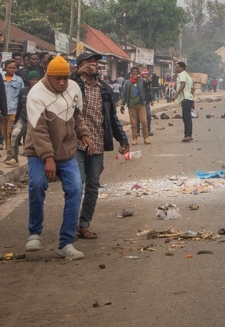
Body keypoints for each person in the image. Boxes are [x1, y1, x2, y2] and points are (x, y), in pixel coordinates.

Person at [25, 56, 94, 259]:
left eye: (65, 78)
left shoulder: (73, 88)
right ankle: (34, 233)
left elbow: (76, 116)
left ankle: (66, 242)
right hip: (39, 153)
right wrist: (48, 158)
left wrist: (84, 134)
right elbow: (38, 131)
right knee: (37, 185)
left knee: (76, 189)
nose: (62, 82)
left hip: (66, 152)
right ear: (49, 76)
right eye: (58, 79)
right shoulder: (36, 94)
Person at [72, 52, 128, 240]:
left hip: (97, 143)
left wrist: (123, 139)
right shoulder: (74, 85)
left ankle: (84, 225)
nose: (94, 65)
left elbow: (112, 117)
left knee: (93, 186)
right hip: (76, 143)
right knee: (76, 185)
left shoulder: (104, 89)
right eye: (89, 62)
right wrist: (76, 73)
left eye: (96, 63)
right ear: (80, 65)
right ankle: (70, 226)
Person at [5, 70, 40, 166]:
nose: (35, 81)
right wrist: (16, 120)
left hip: (37, 120)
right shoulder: (23, 91)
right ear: (29, 81)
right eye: (33, 79)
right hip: (23, 118)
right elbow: (19, 107)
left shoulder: (42, 92)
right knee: (14, 135)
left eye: (37, 79)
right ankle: (14, 158)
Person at [120, 66, 152, 145]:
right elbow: (124, 94)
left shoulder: (142, 81)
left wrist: (147, 77)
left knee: (144, 121)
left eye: (136, 71)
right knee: (133, 123)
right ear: (131, 73)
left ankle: (146, 137)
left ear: (138, 73)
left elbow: (149, 83)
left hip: (141, 105)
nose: (135, 73)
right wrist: (122, 105)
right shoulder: (127, 83)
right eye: (133, 71)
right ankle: (134, 138)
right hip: (131, 105)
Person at [1, 59, 24, 156]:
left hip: (14, 110)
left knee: (11, 132)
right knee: (4, 133)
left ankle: (11, 152)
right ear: (5, 68)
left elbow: (21, 94)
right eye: (10, 68)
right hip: (2, 111)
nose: (12, 70)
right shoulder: (1, 79)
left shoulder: (19, 80)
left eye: (14, 68)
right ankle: (8, 150)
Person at [173, 61, 195, 142]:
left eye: (177, 67)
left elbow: (183, 84)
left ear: (182, 68)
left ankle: (188, 135)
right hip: (189, 98)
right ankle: (187, 135)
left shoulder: (182, 74)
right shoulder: (188, 76)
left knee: (187, 118)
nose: (176, 69)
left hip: (185, 98)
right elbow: (192, 89)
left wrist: (175, 95)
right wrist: (193, 101)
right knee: (186, 117)